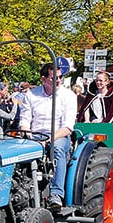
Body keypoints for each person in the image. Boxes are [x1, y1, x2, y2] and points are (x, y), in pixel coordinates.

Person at [17, 62, 78, 212]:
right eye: (54, 78)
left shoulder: (68, 96)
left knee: (57, 149)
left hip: (58, 135)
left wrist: (49, 139)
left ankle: (56, 194)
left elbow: (68, 126)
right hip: (35, 135)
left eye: (60, 77)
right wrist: (27, 134)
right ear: (43, 79)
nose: (58, 80)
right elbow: (25, 120)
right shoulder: (31, 94)